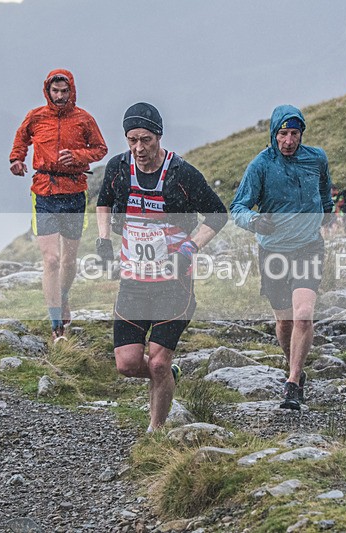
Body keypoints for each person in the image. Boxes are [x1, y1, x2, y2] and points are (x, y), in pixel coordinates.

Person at [95, 102, 228, 431]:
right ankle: (170, 375)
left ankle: (154, 433)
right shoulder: (118, 167)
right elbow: (103, 202)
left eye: (145, 140)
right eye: (131, 140)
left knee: (157, 362)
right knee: (127, 364)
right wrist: (103, 242)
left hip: (173, 283)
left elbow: (218, 214)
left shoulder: (181, 174)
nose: (138, 148)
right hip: (134, 281)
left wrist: (189, 246)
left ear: (159, 136)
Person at [230, 104, 333, 410]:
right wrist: (254, 221)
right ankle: (295, 366)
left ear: (302, 134)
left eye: (294, 134)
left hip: (308, 247)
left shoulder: (317, 159)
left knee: (303, 315)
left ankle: (292, 383)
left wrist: (323, 215)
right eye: (283, 134)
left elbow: (325, 194)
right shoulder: (261, 165)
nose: (289, 141)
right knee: (284, 320)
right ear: (274, 134)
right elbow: (238, 208)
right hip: (273, 251)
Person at [9, 69, 108, 341]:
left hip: (75, 191)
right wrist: (16, 160)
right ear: (48, 91)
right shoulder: (36, 116)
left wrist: (77, 156)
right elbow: (21, 138)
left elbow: (100, 148)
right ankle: (56, 325)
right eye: (56, 91)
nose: (61, 96)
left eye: (65, 91)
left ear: (71, 90)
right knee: (51, 260)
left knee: (68, 259)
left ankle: (63, 297)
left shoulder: (84, 119)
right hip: (44, 191)